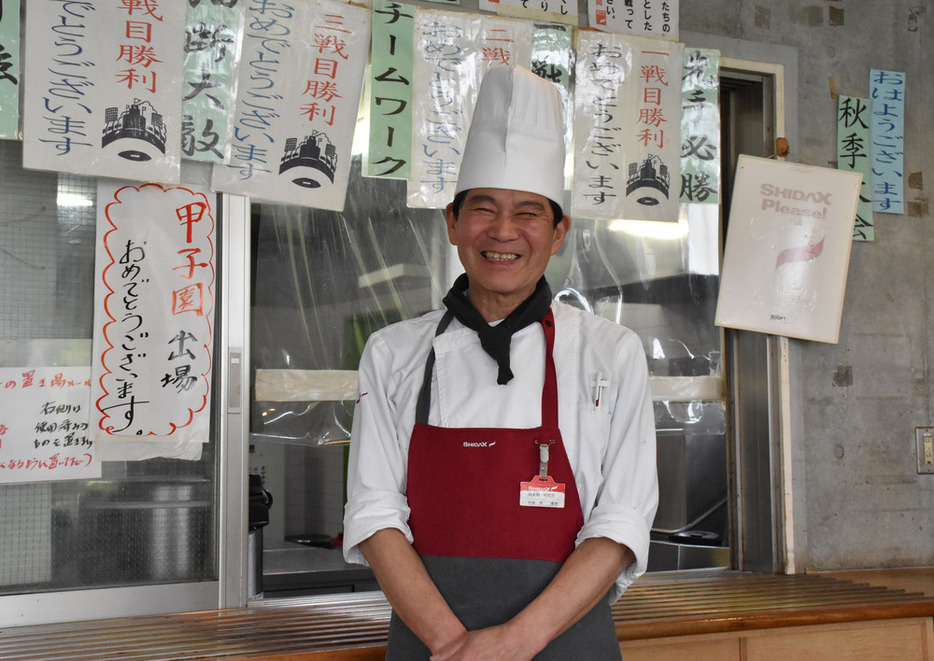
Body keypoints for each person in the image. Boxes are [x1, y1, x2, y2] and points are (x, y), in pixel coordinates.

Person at [343, 64, 658, 660]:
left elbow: (620, 523)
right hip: (434, 646)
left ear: (559, 230)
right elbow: (374, 513)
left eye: (529, 213)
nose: (504, 232)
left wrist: (512, 644)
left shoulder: (611, 354)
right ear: (454, 223)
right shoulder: (393, 353)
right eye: (483, 209)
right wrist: (456, 646)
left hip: (566, 643)